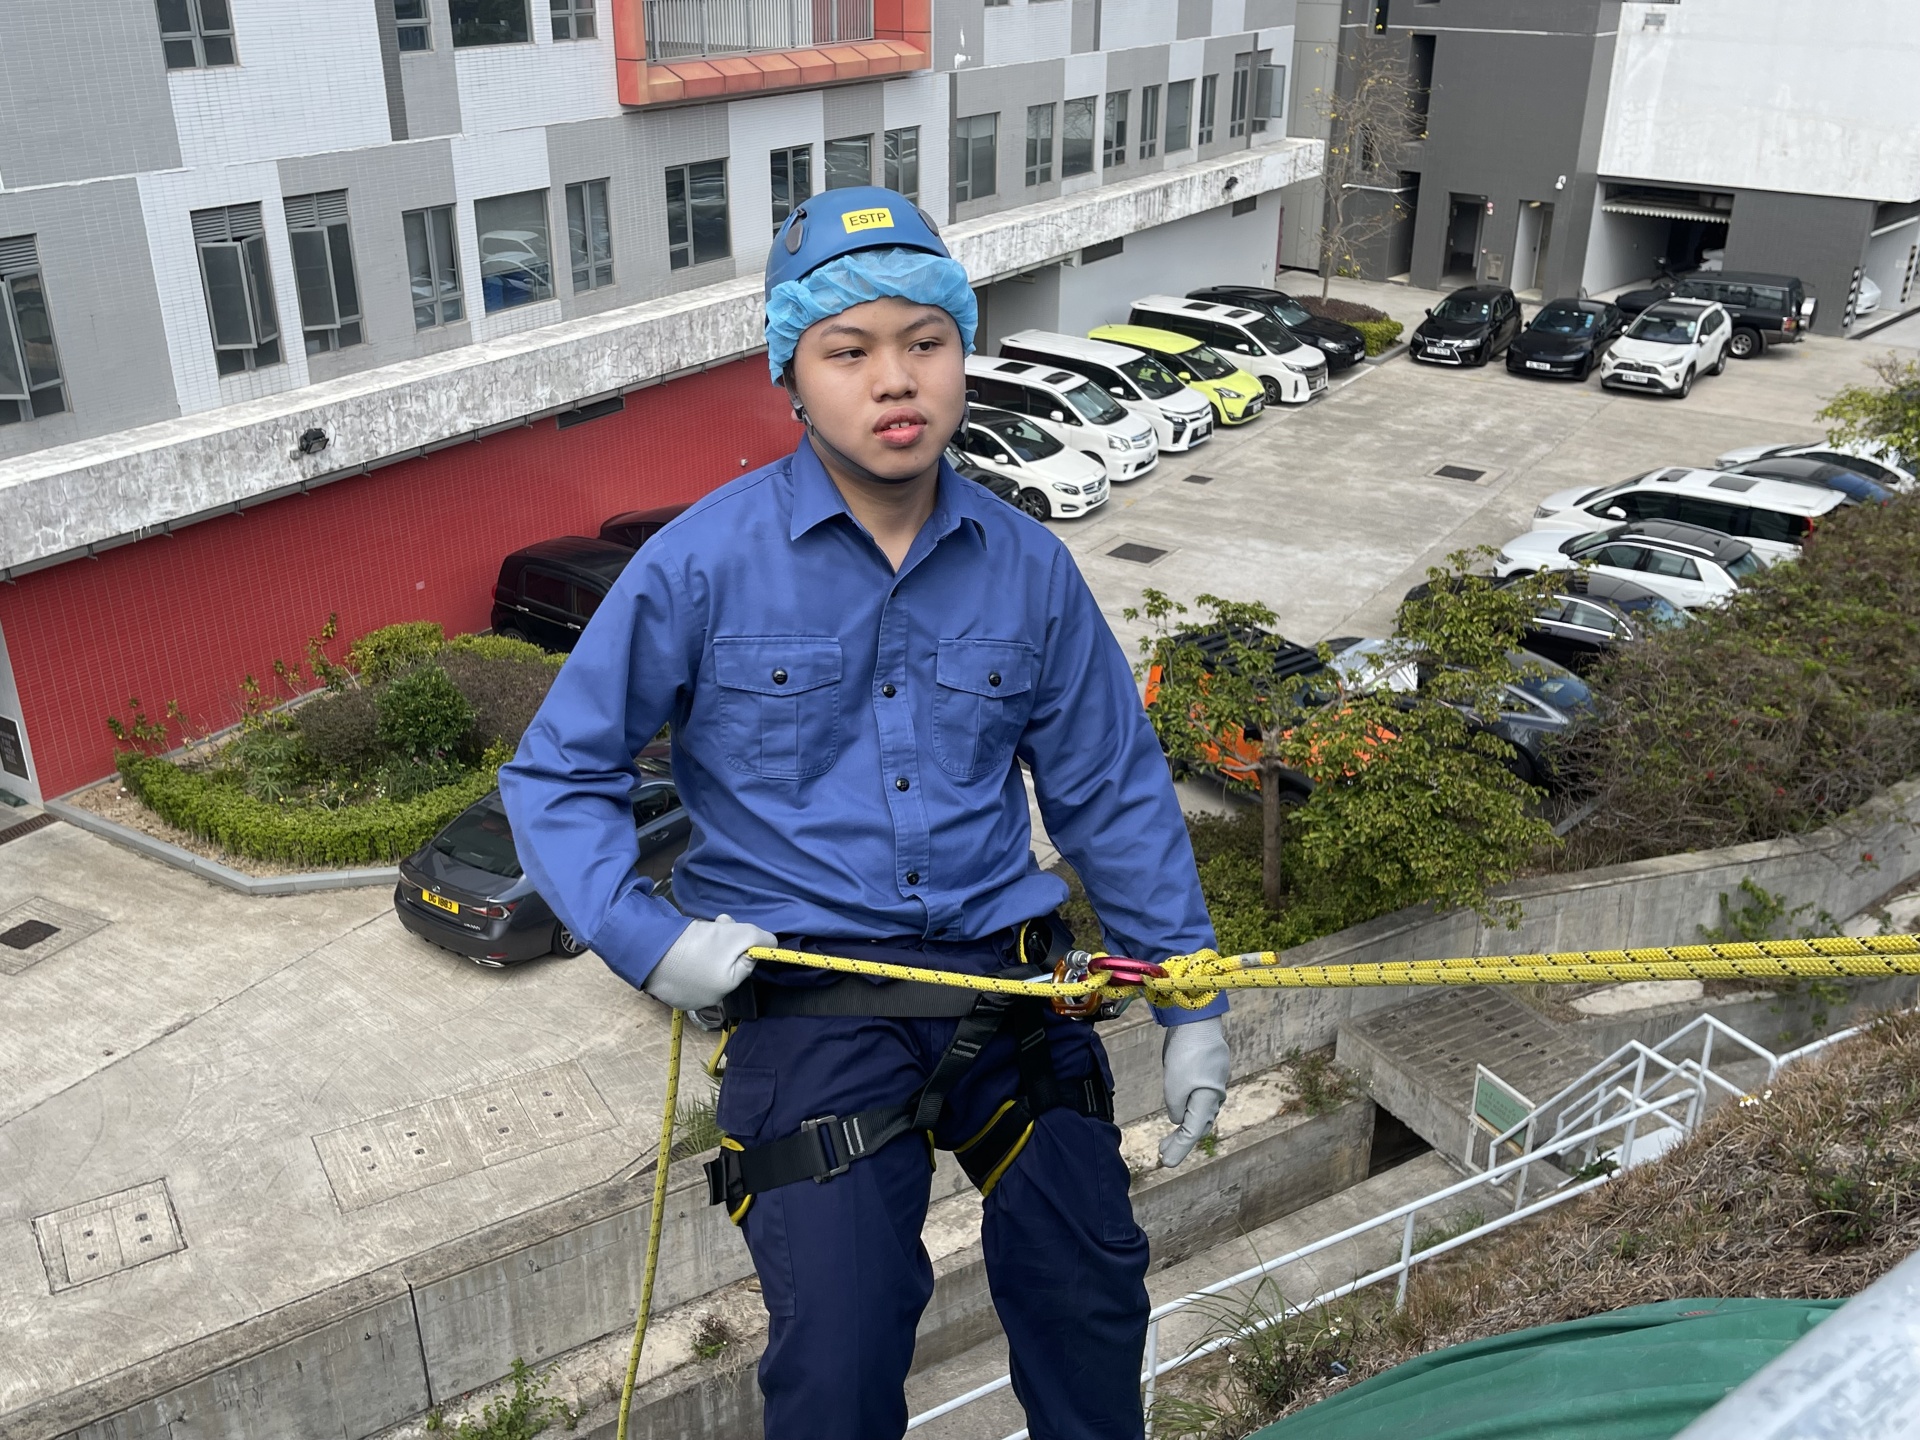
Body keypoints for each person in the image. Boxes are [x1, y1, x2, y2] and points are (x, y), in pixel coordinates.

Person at [499, 186, 1230, 1440]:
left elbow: (1107, 789)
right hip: (813, 1005)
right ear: (789, 375)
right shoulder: (701, 564)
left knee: (1092, 1292)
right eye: (849, 351)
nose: (896, 379)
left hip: (1009, 987)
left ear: (962, 355)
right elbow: (558, 774)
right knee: (838, 1354)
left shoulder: (1028, 568)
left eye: (926, 342)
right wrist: (645, 938)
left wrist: (1189, 996)